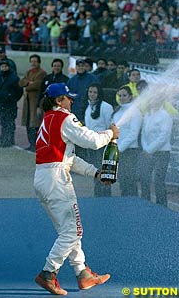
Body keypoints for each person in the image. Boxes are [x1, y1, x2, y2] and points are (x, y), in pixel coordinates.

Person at [34, 82, 119, 295]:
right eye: (68, 98)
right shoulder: (64, 117)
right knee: (73, 231)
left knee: (68, 231)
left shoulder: (47, 119)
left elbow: (68, 158)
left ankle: (83, 273)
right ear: (58, 100)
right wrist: (111, 133)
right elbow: (92, 141)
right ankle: (48, 273)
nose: (71, 101)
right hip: (57, 179)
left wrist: (95, 173)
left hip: (44, 177)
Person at [140, 98, 173, 207]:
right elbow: (143, 134)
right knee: (145, 178)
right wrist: (146, 148)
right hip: (148, 152)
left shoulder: (165, 116)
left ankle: (162, 206)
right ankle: (146, 203)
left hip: (162, 153)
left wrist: (149, 150)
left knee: (158, 181)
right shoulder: (148, 115)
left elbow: (163, 137)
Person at [83, 83, 114, 196]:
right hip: (91, 146)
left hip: (103, 146)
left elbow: (109, 127)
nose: (92, 94)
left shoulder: (106, 107)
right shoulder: (88, 107)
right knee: (95, 172)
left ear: (99, 93)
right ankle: (98, 195)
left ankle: (105, 196)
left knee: (104, 173)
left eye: (95, 92)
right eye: (90, 92)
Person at [112, 86, 142, 197]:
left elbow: (133, 134)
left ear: (130, 97)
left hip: (130, 151)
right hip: (119, 150)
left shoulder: (135, 112)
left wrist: (120, 148)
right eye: (119, 95)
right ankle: (124, 202)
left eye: (124, 95)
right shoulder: (117, 112)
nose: (121, 98)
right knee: (122, 179)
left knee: (130, 180)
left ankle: (132, 204)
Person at [19, 54, 47, 152]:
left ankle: (36, 145)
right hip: (27, 101)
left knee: (35, 123)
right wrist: (28, 82)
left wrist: (28, 84)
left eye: (35, 61)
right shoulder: (28, 72)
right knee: (27, 122)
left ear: (39, 62)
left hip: (36, 101)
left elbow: (37, 85)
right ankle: (31, 144)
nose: (33, 63)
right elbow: (21, 82)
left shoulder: (42, 73)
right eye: (32, 61)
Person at [0, 60, 20, 147]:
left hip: (10, 104)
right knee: (2, 121)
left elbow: (19, 91)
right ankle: (4, 137)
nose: (4, 68)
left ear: (8, 67)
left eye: (5, 66)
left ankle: (9, 140)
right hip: (0, 103)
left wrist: (12, 98)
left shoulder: (14, 78)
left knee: (9, 121)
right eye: (2, 67)